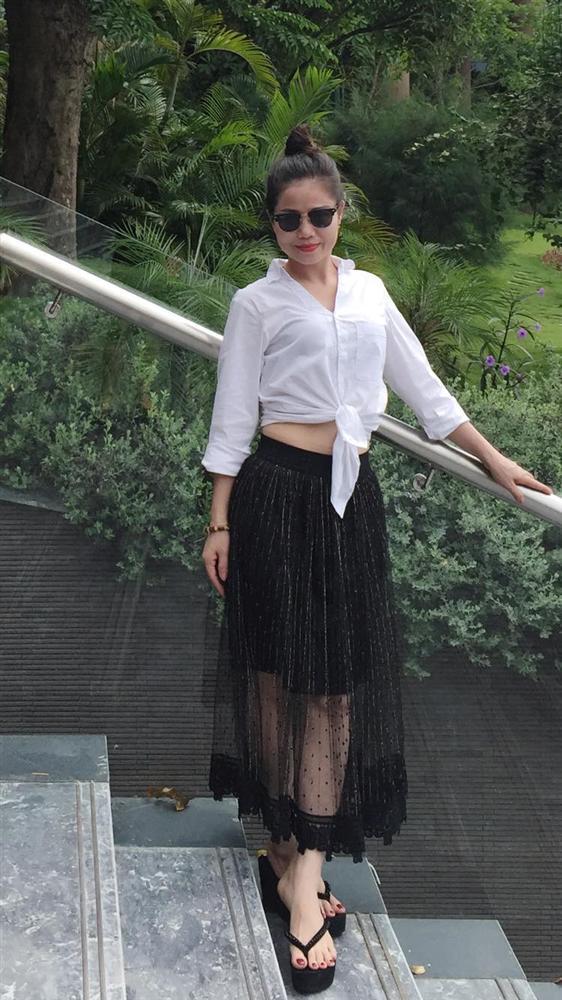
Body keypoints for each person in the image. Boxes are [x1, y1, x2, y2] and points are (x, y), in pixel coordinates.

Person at [200, 122, 553, 994]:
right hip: (274, 498)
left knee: (335, 688)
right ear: (272, 225)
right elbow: (232, 419)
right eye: (289, 219)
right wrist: (219, 522)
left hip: (349, 504)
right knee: (274, 680)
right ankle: (286, 851)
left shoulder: (369, 293)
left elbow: (425, 389)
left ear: (341, 214)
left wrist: (492, 456)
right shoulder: (256, 304)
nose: (306, 231)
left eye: (320, 215)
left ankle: (308, 873)